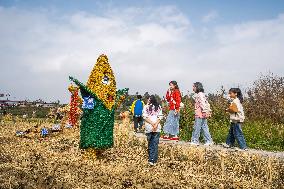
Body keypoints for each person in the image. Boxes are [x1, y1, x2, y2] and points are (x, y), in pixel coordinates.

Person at [143, 95, 163, 166]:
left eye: (148, 99)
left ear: (150, 100)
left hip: (149, 127)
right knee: (155, 144)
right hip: (157, 128)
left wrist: (152, 124)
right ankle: (154, 160)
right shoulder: (159, 107)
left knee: (150, 144)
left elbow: (145, 117)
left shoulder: (146, 107)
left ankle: (151, 159)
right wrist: (155, 125)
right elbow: (160, 117)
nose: (147, 101)